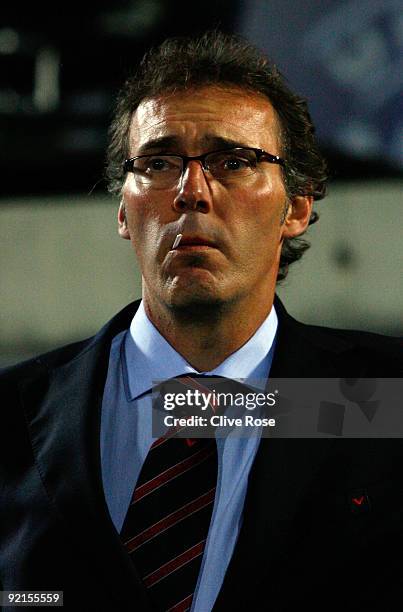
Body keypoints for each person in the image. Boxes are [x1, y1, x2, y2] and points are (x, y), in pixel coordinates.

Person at [1, 30, 402, 612]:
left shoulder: (383, 402)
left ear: (297, 207)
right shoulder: (14, 416)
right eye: (159, 162)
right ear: (122, 208)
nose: (191, 191)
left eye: (233, 161)